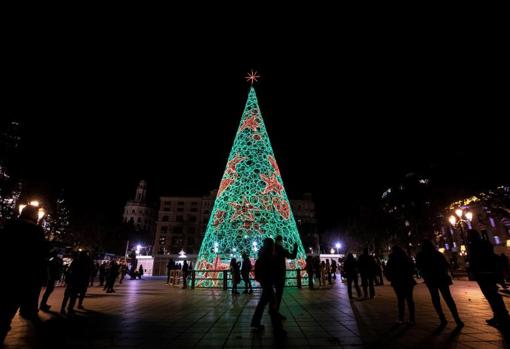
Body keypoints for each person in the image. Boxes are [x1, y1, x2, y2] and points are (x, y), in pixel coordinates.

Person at [1, 205, 48, 342]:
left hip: (5, 272)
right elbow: (40, 255)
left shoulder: (9, 225)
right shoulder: (35, 230)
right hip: (23, 276)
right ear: (33, 215)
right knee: (9, 309)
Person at [467, 229, 510, 327]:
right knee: (494, 295)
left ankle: (500, 316)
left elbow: (474, 260)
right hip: (490, 273)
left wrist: (473, 271)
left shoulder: (474, 246)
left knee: (490, 296)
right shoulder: (485, 243)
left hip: (482, 274)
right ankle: (502, 315)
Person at [416, 240, 463, 327]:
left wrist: (425, 274)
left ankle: (442, 318)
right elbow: (446, 265)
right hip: (442, 278)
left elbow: (418, 266)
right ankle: (457, 319)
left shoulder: (420, 255)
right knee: (448, 298)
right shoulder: (437, 254)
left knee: (435, 299)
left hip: (431, 279)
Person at [251, 238, 286, 339]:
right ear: (270, 245)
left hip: (266, 284)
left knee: (263, 305)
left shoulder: (263, 255)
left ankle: (256, 323)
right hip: (268, 284)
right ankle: (278, 330)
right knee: (273, 306)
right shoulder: (268, 256)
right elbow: (271, 270)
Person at [385, 245, 416, 325]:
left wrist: (390, 278)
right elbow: (413, 268)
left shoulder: (392, 259)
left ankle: (401, 318)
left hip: (397, 281)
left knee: (400, 299)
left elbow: (387, 270)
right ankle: (412, 319)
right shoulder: (406, 258)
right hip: (408, 280)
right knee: (410, 299)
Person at [274, 235, 297, 313]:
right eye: (281, 240)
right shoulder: (281, 250)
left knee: (275, 294)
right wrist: (295, 247)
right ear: (280, 241)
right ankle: (275, 311)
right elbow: (293, 256)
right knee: (278, 294)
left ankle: (274, 311)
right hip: (280, 274)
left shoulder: (271, 250)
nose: (281, 242)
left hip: (273, 275)